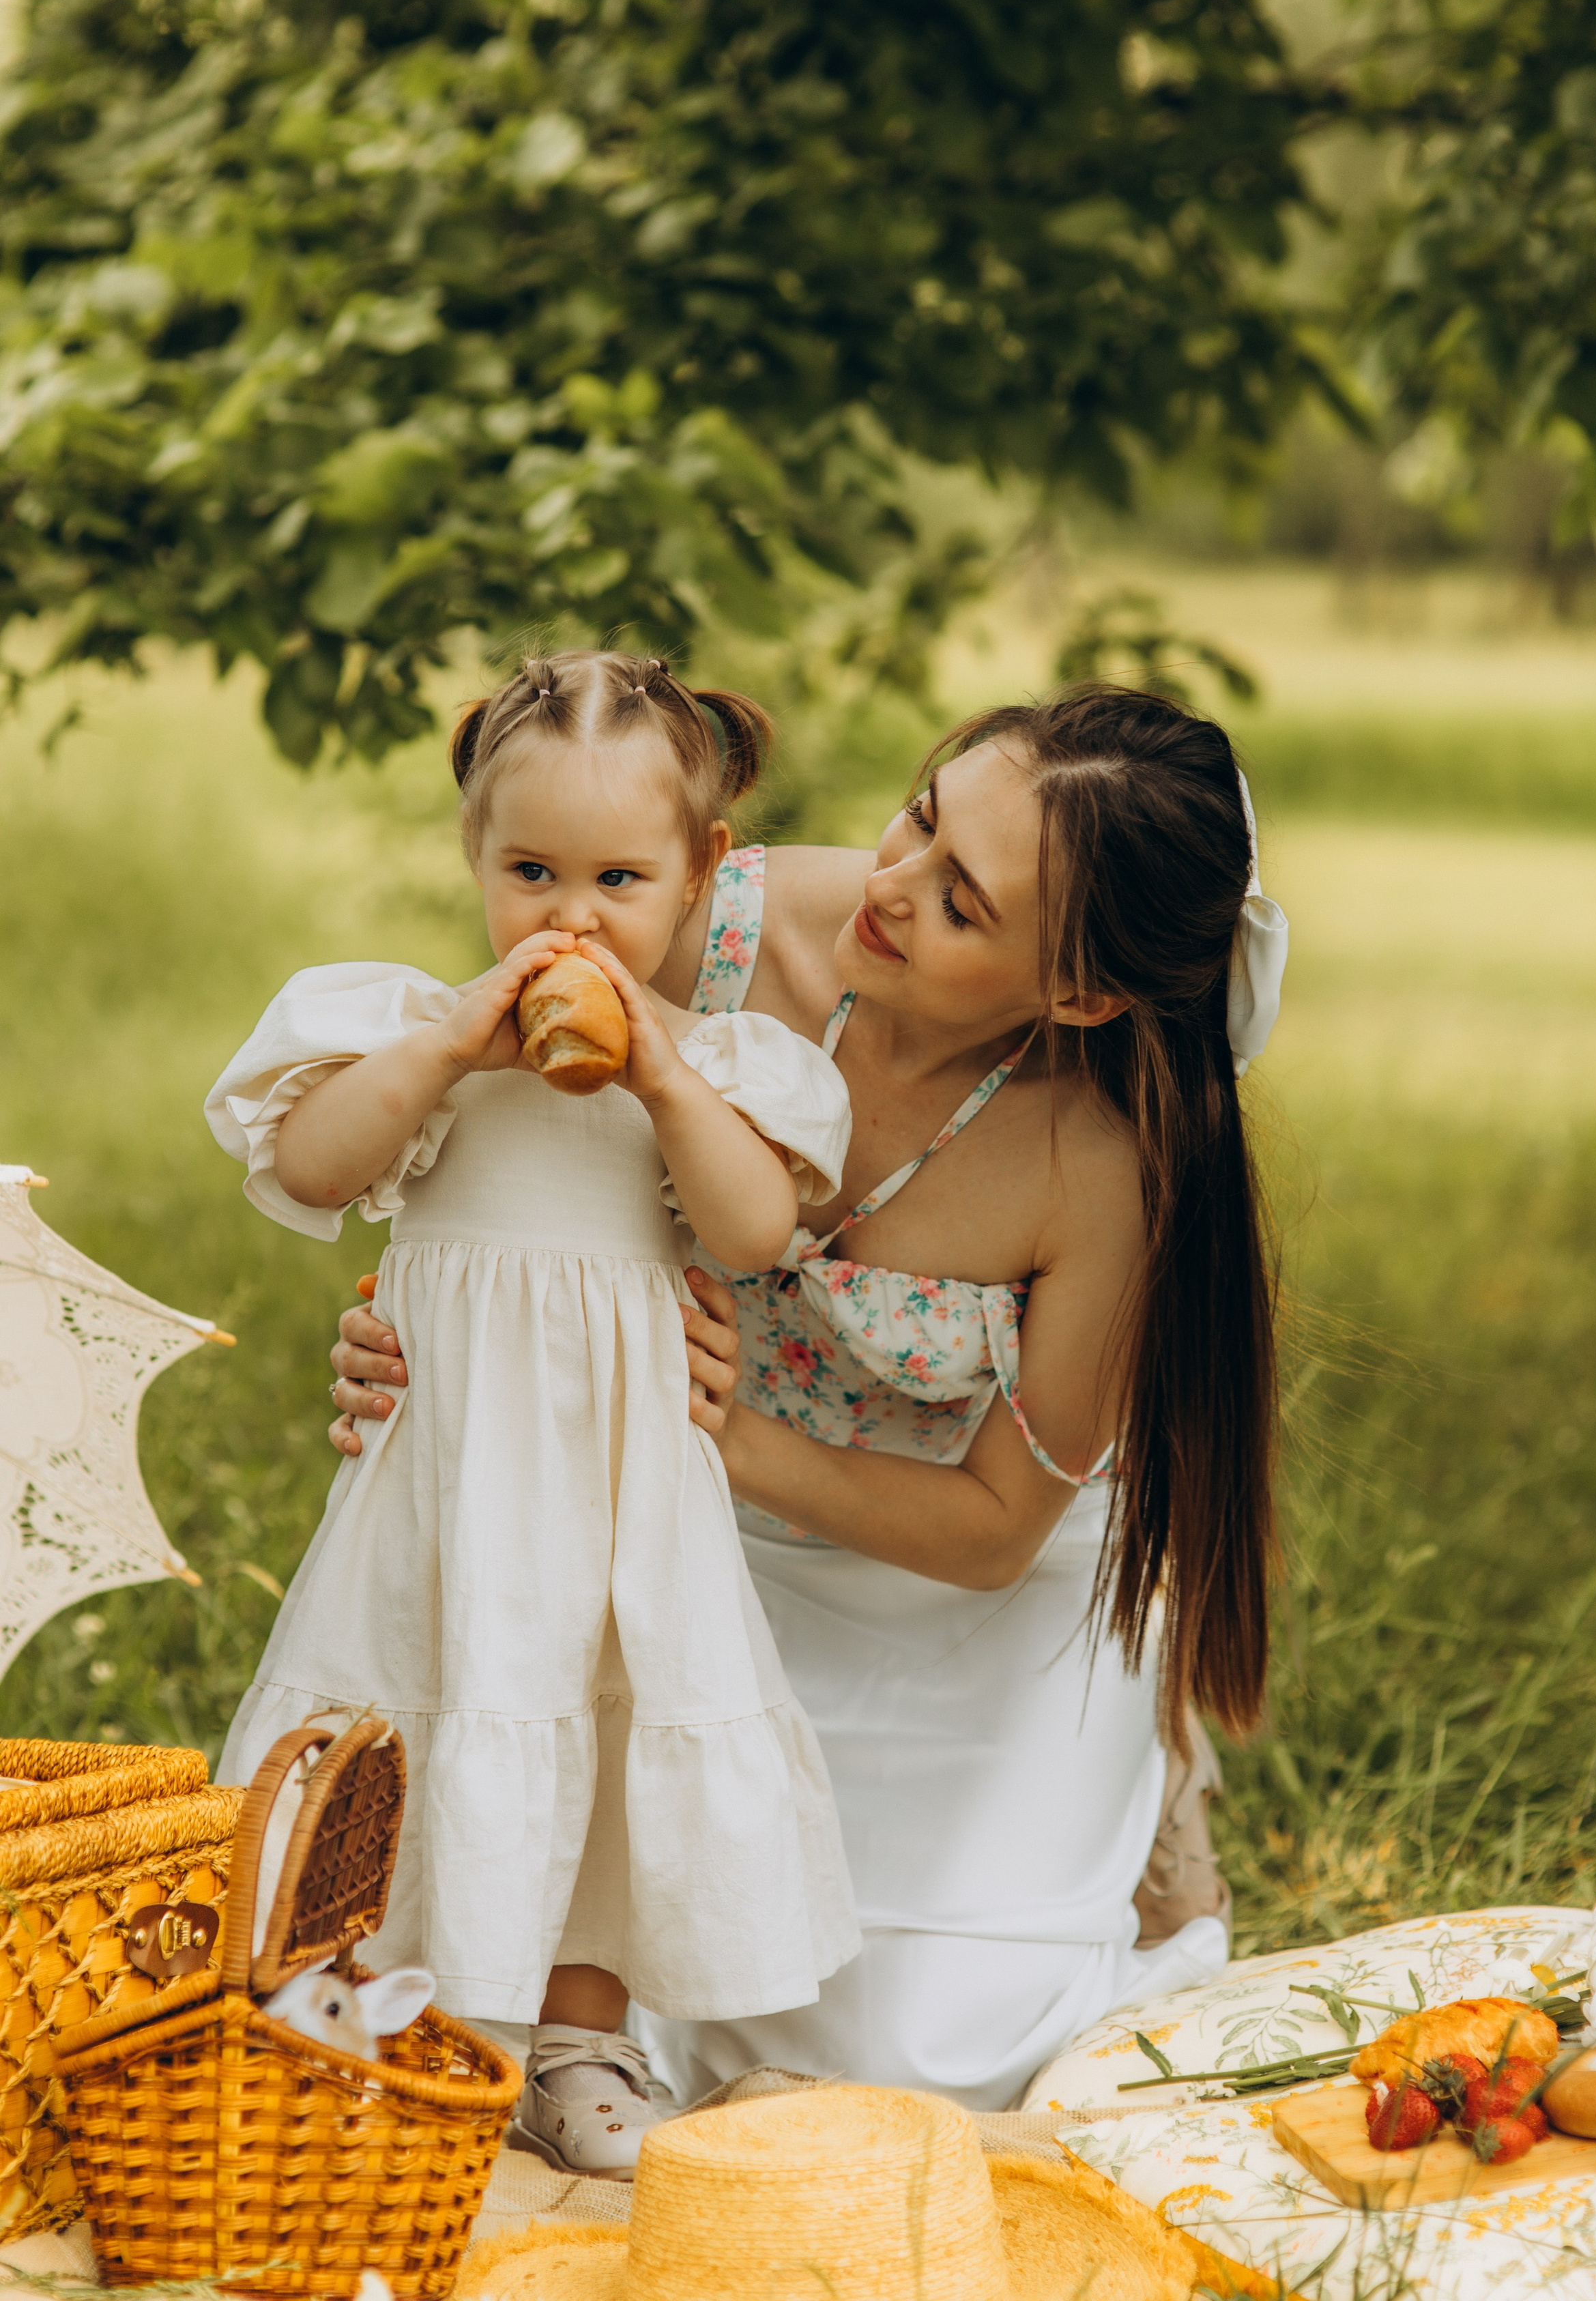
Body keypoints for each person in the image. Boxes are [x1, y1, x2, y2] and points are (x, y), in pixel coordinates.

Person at [330, 682, 1289, 2111]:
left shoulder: (1104, 1161)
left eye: (962, 901)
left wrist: (729, 1437)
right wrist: (414, 1334)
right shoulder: (696, 916)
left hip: (964, 1579)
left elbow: (991, 1530)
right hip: (692, 1558)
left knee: (914, 2057)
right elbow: (487, 1162)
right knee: (586, 1976)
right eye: (919, 815)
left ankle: (1139, 1765)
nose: (891, 884)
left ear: (1076, 993)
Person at [205, 652, 861, 2177]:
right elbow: (308, 1168)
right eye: (530, 871)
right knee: (405, 1717)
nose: (570, 916)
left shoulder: (719, 1068)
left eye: (621, 878)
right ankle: (367, 2014)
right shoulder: (410, 1033)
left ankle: (575, 2037)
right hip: (444, 1481)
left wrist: (660, 1074)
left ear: (702, 878)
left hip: (621, 1495)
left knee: (606, 1736)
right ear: (474, 861)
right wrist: (443, 1044)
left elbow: (753, 1229)